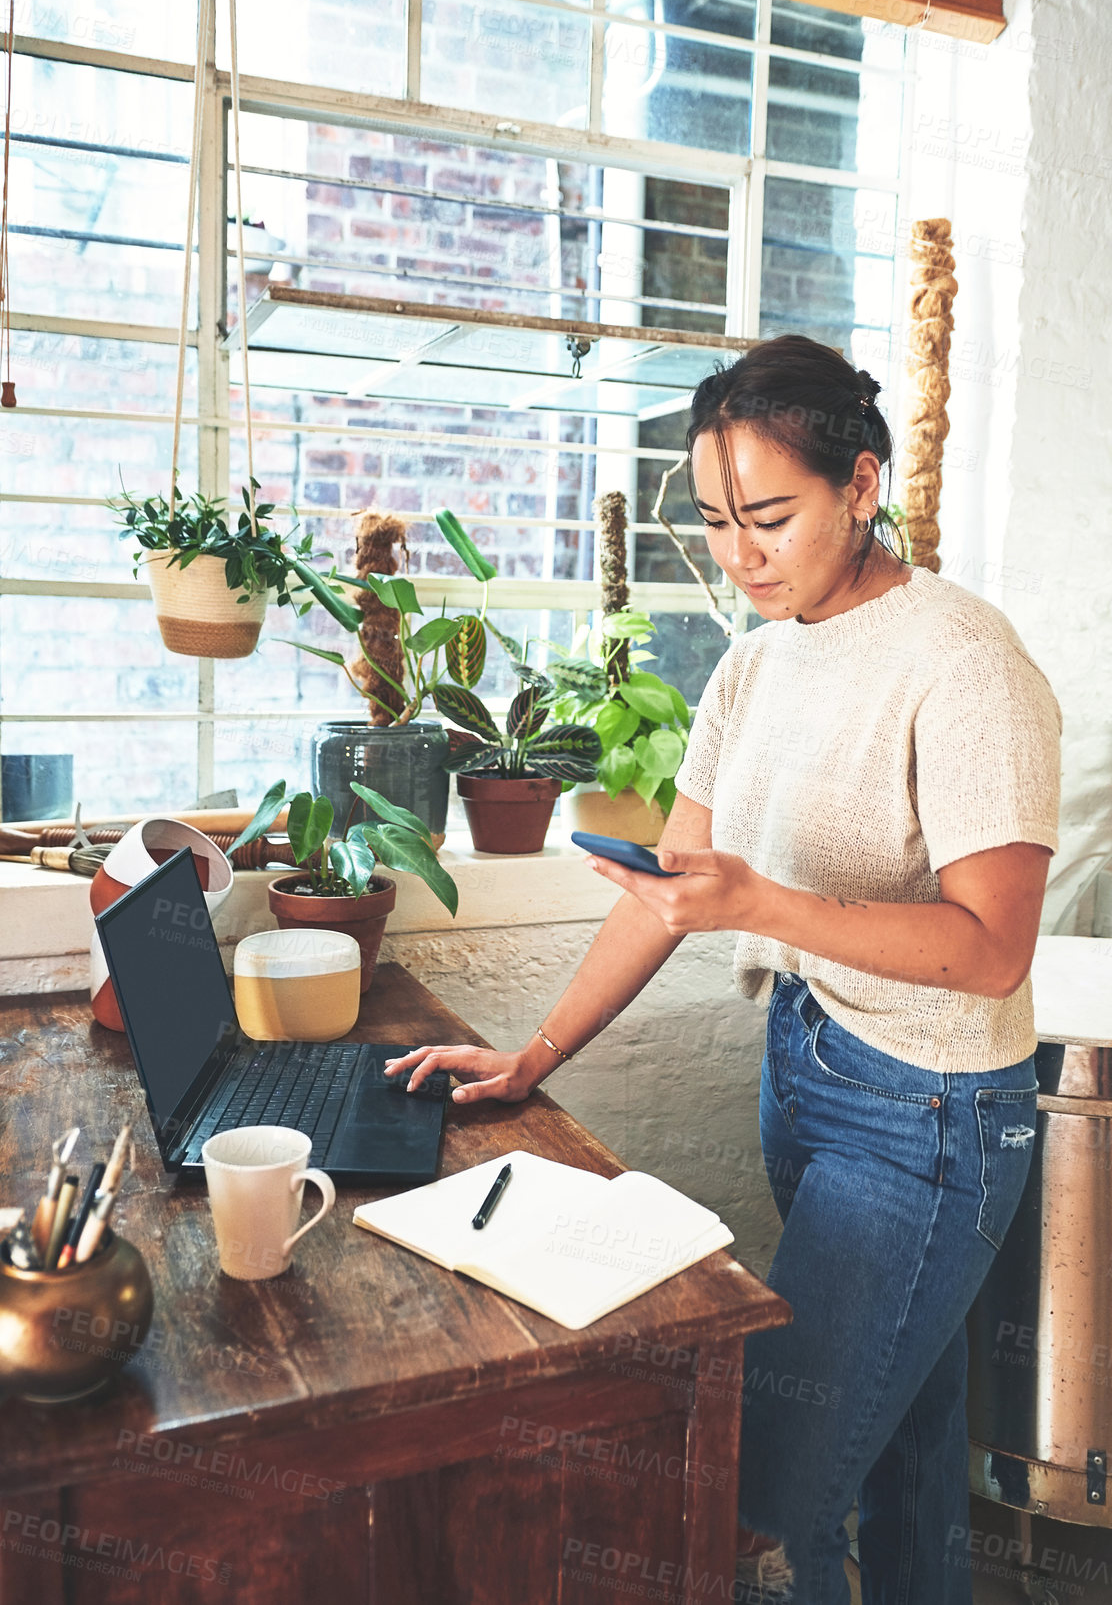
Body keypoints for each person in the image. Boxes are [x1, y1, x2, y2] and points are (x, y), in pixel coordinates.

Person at [384, 334, 1062, 1605]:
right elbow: (668, 889)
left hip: (929, 1111)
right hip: (809, 1067)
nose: (738, 555)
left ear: (861, 484)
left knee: (757, 1494)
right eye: (711, 521)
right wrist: (534, 1053)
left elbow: (990, 947)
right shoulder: (755, 659)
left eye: (769, 516)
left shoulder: (965, 663)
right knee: (900, 1445)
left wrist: (762, 902)